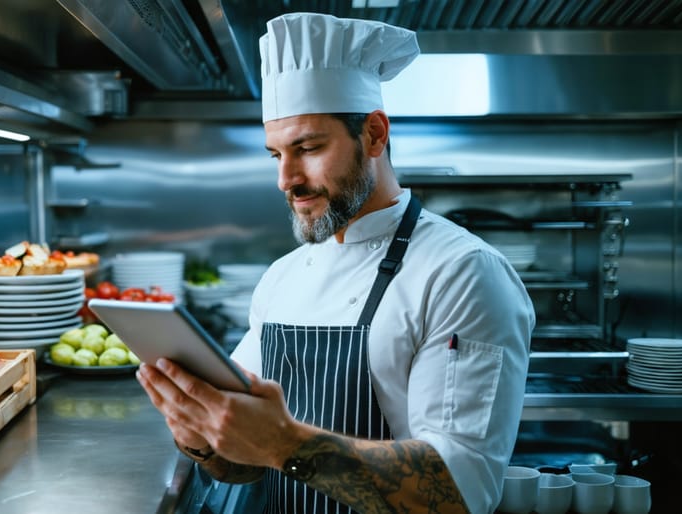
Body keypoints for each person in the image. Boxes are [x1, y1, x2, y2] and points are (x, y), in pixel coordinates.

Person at [137, 12, 535, 514]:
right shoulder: (282, 278)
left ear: (373, 134)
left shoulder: (463, 273)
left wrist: (287, 444)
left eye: (307, 148)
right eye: (275, 155)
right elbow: (246, 462)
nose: (287, 179)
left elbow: (462, 490)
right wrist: (201, 438)